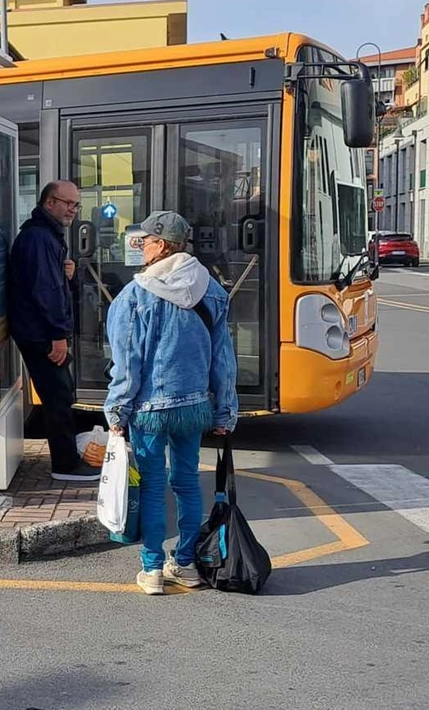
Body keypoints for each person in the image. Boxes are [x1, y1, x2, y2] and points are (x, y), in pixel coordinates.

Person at [104, 211, 238, 596]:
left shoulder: (134, 295)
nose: (141, 246)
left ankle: (151, 570)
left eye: (145, 240)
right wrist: (226, 410)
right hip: (195, 407)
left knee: (150, 485)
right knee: (187, 483)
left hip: (149, 410)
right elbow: (223, 360)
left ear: (161, 245)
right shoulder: (210, 289)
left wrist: (117, 411)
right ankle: (185, 564)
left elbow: (126, 363)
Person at [7, 181, 98, 481]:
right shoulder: (38, 238)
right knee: (57, 395)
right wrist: (58, 335)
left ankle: (66, 459)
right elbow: (45, 290)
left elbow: (55, 284)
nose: (73, 209)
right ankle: (65, 465)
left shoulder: (47, 236)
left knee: (60, 391)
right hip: (40, 333)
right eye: (67, 203)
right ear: (49, 203)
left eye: (76, 204)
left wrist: (67, 274)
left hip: (39, 330)